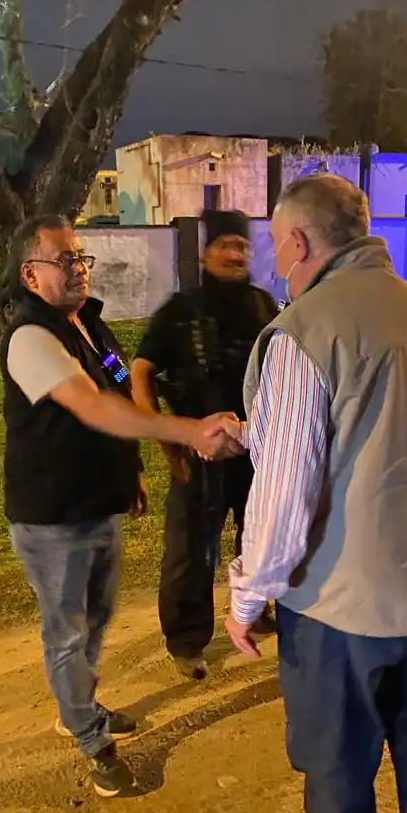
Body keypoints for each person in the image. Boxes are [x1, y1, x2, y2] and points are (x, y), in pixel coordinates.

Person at [219, 175, 407, 813]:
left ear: (298, 242)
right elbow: (384, 429)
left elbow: (285, 494)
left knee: (337, 745)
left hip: (345, 600)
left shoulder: (307, 329)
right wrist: (255, 429)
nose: (272, 260)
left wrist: (247, 592)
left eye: (274, 243)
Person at [0, 215, 239, 799]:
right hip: (53, 516)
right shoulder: (32, 337)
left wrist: (130, 471)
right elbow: (93, 408)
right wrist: (186, 430)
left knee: (95, 622)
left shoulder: (88, 325)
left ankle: (78, 704)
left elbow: (117, 393)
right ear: (32, 274)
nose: (80, 269)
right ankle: (89, 738)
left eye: (82, 257)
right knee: (67, 632)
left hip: (97, 503)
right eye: (66, 260)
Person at [131, 209, 278, 681]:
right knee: (192, 550)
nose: (235, 254)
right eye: (225, 245)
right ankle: (187, 640)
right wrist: (163, 437)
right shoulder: (180, 310)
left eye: (242, 246)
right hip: (199, 453)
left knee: (259, 538)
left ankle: (254, 609)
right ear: (206, 252)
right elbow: (136, 370)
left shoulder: (263, 306)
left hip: (257, 451)